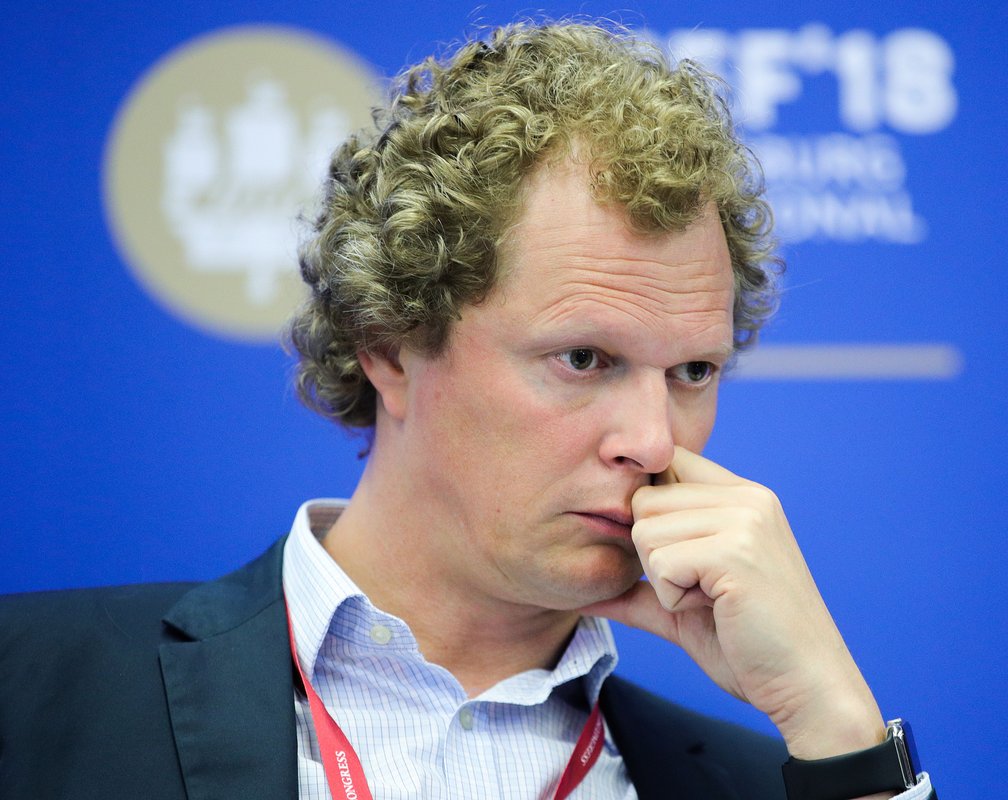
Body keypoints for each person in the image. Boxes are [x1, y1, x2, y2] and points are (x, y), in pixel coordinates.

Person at [0, 20, 936, 800]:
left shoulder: (777, 781)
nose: (653, 442)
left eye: (693, 370)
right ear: (390, 345)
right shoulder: (29, 685)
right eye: (583, 358)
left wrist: (838, 728)